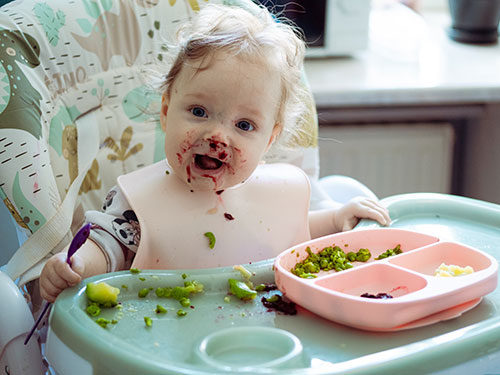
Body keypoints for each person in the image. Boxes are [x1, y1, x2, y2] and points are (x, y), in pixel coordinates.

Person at [39, 3, 390, 303]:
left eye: (244, 126)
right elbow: (109, 246)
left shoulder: (272, 193)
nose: (218, 136)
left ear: (269, 140)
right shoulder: (141, 205)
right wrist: (77, 265)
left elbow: (287, 230)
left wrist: (335, 220)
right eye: (199, 112)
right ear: (165, 110)